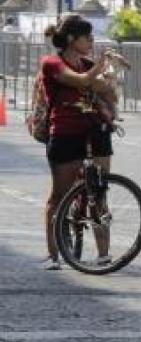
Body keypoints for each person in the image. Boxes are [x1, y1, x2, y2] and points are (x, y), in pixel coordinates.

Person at [40, 14, 119, 270]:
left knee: (99, 190)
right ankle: (53, 256)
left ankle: (103, 254)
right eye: (88, 37)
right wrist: (101, 64)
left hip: (96, 129)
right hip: (65, 132)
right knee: (59, 196)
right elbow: (82, 82)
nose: (92, 41)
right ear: (73, 39)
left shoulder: (87, 64)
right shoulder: (52, 63)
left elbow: (110, 94)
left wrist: (110, 74)